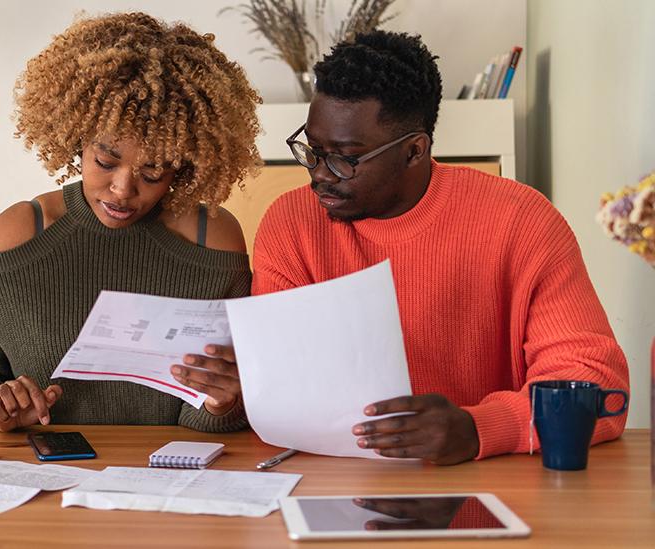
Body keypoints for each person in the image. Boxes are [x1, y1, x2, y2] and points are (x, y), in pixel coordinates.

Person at [251, 30, 630, 464]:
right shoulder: (290, 223)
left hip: (492, 484)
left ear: (415, 151)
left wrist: (479, 428)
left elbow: (597, 386)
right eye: (313, 150)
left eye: (345, 157)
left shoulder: (521, 221)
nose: (319, 173)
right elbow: (281, 385)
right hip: (332, 482)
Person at [0, 13, 261, 433]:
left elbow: (210, 415)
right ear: (76, 140)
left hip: (168, 478)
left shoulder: (211, 242)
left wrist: (220, 404)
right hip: (44, 477)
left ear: (183, 165)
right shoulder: (18, 236)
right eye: (105, 162)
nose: (123, 189)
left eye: (153, 172)